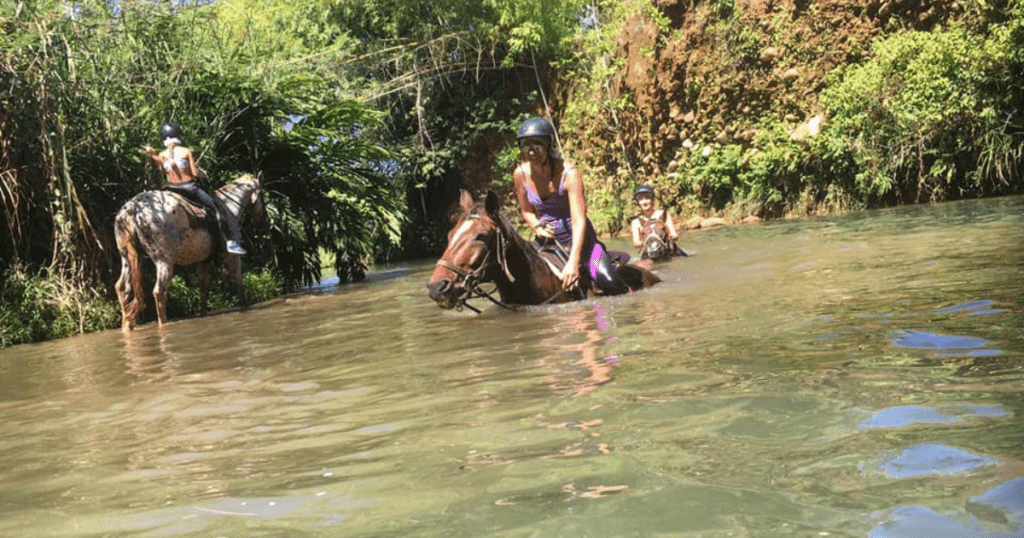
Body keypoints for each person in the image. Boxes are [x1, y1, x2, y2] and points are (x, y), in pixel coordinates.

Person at [512, 117, 628, 295]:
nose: (531, 152)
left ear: (549, 145)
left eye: (537, 145)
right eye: (526, 146)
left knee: (611, 282)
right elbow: (526, 211)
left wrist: (573, 262)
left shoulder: (569, 173)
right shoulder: (520, 174)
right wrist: (537, 226)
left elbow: (578, 221)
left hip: (582, 241)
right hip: (546, 242)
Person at [143, 122, 246, 255]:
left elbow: (164, 172)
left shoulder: (162, 155)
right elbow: (195, 173)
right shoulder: (186, 151)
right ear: (178, 135)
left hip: (171, 189)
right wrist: (202, 174)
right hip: (189, 188)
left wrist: (154, 157)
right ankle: (229, 242)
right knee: (217, 209)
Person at [630, 184, 687, 258]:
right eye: (641, 199)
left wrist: (673, 237)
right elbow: (636, 242)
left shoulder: (663, 214)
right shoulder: (635, 221)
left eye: (647, 198)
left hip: (666, 249)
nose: (644, 202)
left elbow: (673, 233)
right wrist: (648, 243)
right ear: (638, 203)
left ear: (652, 200)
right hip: (648, 250)